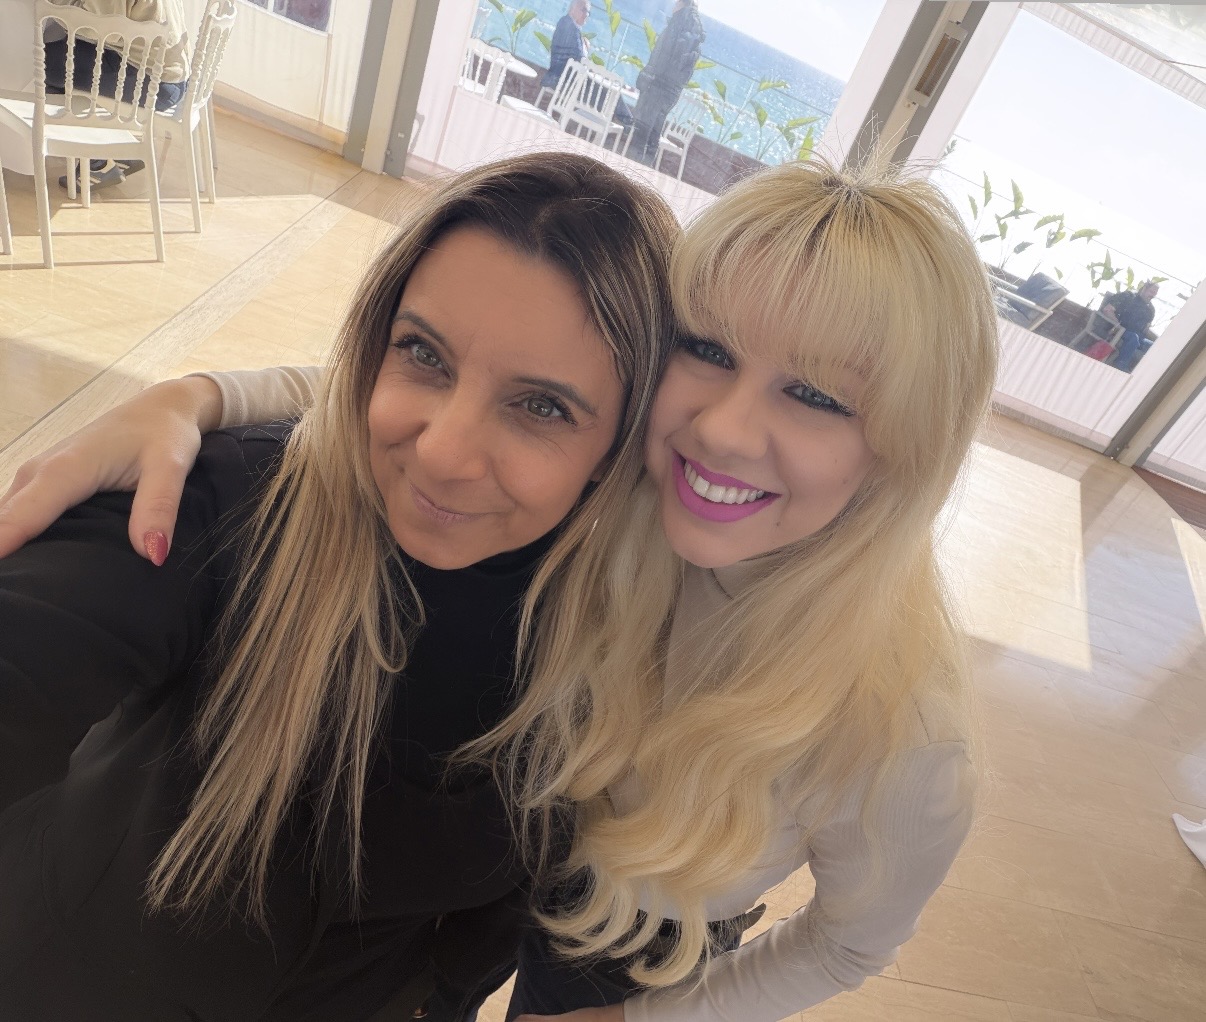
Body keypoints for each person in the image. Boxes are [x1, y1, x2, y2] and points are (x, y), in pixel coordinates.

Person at [0, 156, 1000, 1022]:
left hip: (642, 938)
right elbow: (461, 384)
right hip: (491, 878)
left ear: (907, 446)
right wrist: (199, 397)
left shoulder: (905, 734)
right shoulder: (634, 490)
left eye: (816, 394)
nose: (725, 430)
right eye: (709, 349)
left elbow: (852, 943)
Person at [0, 151, 679, 1022]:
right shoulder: (231, 504)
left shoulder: (620, 666)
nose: (443, 453)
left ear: (618, 452)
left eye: (541, 407)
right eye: (423, 354)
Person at [45, 0, 192, 190]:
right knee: (64, 53)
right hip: (171, 76)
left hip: (152, 82)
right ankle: (117, 147)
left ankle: (99, 160)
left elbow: (95, 27)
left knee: (40, 61)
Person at [627, 0, 704, 167]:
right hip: (672, 91)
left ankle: (629, 169)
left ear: (681, 3)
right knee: (654, 132)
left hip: (658, 86)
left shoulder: (678, 23)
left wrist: (646, 78)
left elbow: (662, 56)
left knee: (642, 131)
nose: (673, 5)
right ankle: (644, 170)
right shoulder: (695, 28)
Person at [1103, 280, 1159, 372]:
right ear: (1144, 288)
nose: (1153, 295)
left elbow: (1146, 328)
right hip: (1118, 329)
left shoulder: (1150, 309)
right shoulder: (1128, 296)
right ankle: (1119, 366)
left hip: (1137, 336)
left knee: (1154, 346)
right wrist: (1118, 326)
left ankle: (1140, 373)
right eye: (1151, 292)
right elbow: (1107, 310)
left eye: (1155, 294)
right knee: (1134, 338)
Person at [541, 0, 591, 92]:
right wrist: (585, 49)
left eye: (588, 12)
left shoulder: (567, 24)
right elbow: (580, 59)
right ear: (572, 9)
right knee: (602, 92)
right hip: (561, 81)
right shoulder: (570, 26)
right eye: (583, 10)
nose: (586, 14)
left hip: (559, 78)